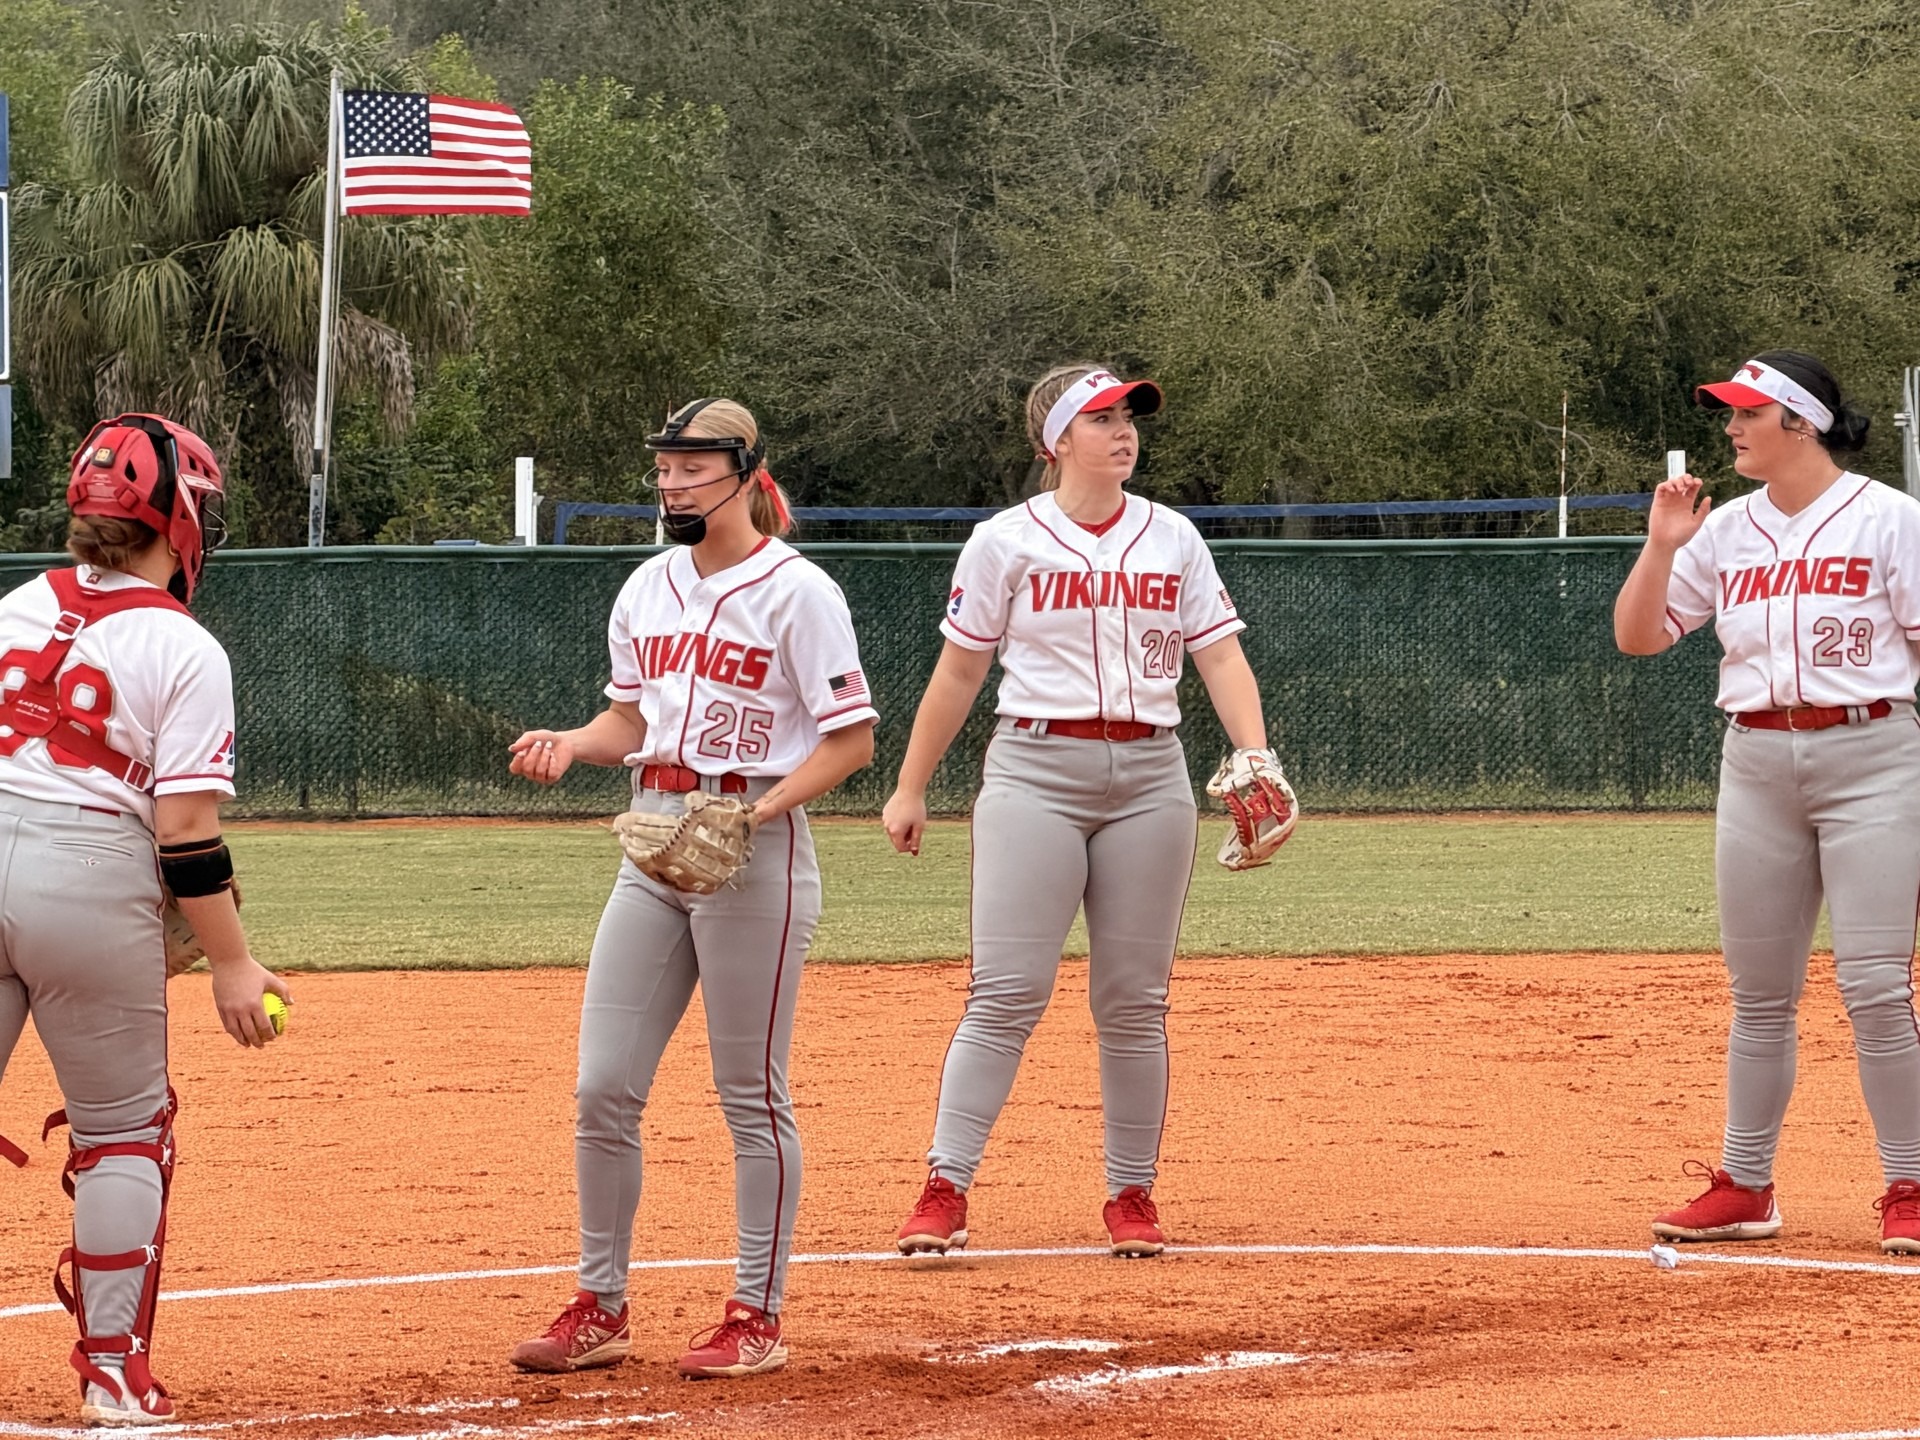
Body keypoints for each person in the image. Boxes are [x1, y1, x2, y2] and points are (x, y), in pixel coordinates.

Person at [882, 363, 1289, 1258]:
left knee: (1134, 1000)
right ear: (1056, 441)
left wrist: (1255, 753)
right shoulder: (1003, 540)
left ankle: (1131, 1193)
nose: (1124, 430)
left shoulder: (1172, 535)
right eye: (1102, 418)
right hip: (1034, 771)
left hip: (1151, 775)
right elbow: (960, 670)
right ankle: (946, 1186)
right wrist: (911, 785)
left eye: (1129, 416)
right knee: (1006, 992)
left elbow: (1219, 656)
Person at [507, 399, 876, 1378]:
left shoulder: (799, 593)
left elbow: (851, 741)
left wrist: (757, 813)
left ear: (745, 474)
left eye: (692, 468)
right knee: (602, 1086)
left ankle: (757, 1314)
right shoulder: (647, 587)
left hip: (754, 844)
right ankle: (601, 1305)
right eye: (665, 469)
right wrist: (572, 743)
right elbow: (631, 722)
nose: (672, 485)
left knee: (750, 1092)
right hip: (654, 842)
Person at [0, 414, 287, 1427]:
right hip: (88, 875)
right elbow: (187, 833)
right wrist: (234, 964)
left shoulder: (13, 605)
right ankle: (114, 1377)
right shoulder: (184, 645)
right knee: (123, 1133)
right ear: (176, 520)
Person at [1614, 350, 1920, 1254]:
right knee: (1759, 994)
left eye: (1748, 412)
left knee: (1874, 986)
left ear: (1801, 423)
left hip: (1874, 754)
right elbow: (1638, 638)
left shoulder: (1890, 519)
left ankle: (1910, 1183)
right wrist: (1662, 544)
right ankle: (1746, 1184)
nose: (1732, 427)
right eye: (1731, 412)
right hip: (1755, 762)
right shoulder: (1723, 530)